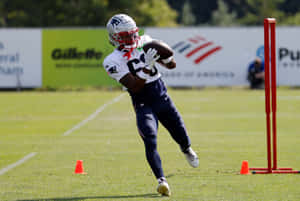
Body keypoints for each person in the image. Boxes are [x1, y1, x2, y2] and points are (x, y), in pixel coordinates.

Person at [103, 14, 199, 196]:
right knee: (149, 138)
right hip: (142, 102)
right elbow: (135, 86)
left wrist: (167, 58)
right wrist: (147, 65)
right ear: (114, 37)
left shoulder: (146, 41)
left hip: (161, 97)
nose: (131, 39)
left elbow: (172, 66)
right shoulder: (112, 61)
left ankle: (186, 149)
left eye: (132, 34)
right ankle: (161, 180)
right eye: (125, 36)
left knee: (179, 131)